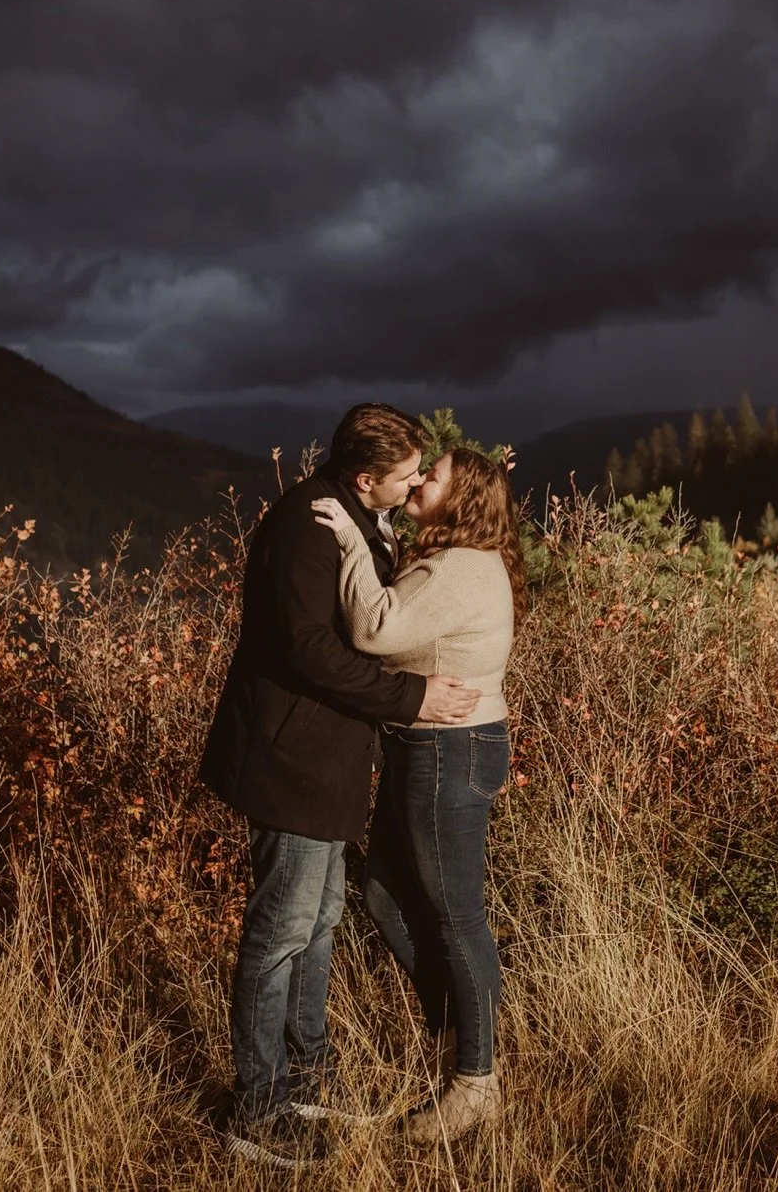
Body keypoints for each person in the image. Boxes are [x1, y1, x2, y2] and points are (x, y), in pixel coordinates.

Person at [199, 403, 482, 1169]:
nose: (420, 480)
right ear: (366, 477)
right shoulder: (307, 526)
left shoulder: (357, 515)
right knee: (280, 929)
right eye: (407, 475)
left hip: (325, 761)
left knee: (318, 916)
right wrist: (412, 700)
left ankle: (305, 1077)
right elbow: (308, 651)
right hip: (288, 757)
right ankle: (256, 1109)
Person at [311, 446, 527, 1144]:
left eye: (432, 476)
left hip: (449, 751)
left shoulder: (461, 567)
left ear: (459, 499)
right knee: (382, 895)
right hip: (431, 746)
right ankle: (464, 1035)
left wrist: (348, 537)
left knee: (455, 915)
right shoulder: (449, 558)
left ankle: (476, 1081)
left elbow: (377, 629)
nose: (419, 479)